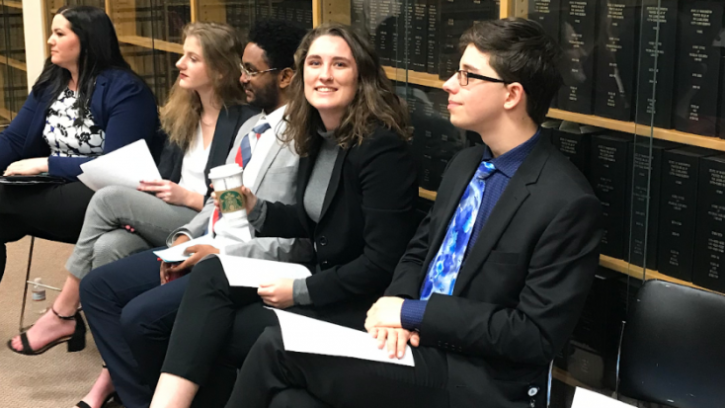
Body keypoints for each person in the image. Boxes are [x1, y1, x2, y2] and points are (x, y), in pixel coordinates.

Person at [228, 17, 603, 408]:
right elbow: (418, 250)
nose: (449, 85)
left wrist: (415, 314)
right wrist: (400, 308)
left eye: (468, 76)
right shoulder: (467, 163)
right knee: (290, 401)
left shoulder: (566, 202)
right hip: (416, 345)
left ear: (511, 95)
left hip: (481, 378)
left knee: (278, 347)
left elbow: (532, 335)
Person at [145, 23, 420, 408]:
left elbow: (381, 263)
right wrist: (255, 209)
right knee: (213, 272)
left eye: (339, 64)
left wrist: (300, 292)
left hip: (358, 300)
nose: (324, 74)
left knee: (224, 331)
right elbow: (316, 222)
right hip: (320, 276)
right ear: (301, 73)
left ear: (362, 76)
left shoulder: (381, 149)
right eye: (315, 62)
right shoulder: (316, 134)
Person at [78, 20, 310, 408]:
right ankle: (141, 399)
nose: (243, 78)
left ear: (286, 77)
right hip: (205, 241)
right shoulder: (251, 128)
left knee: (140, 317)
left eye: (251, 70)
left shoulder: (302, 139)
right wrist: (185, 238)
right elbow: (218, 201)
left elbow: (295, 232)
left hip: (243, 260)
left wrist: (218, 254)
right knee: (97, 288)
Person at [7, 22, 250, 364]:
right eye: (183, 55)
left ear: (221, 69)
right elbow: (162, 176)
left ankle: (63, 312)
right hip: (168, 215)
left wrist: (189, 198)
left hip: (207, 220)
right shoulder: (183, 114)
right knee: (109, 245)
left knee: (108, 199)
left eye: (192, 58)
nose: (179, 63)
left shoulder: (246, 124)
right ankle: (119, 368)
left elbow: (240, 201)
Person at [0, 5, 160, 284]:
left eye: (59, 33)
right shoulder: (52, 82)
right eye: (52, 33)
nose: (51, 40)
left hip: (100, 191)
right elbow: (13, 140)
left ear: (86, 40)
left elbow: (117, 166)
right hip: (49, 188)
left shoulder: (126, 90)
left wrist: (46, 163)